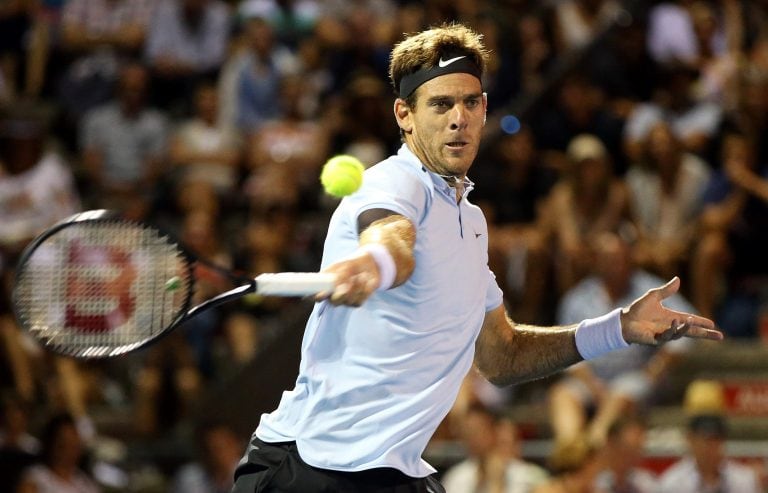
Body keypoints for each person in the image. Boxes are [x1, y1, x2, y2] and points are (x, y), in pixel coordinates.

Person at [231, 23, 721, 493]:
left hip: (391, 474)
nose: (458, 118)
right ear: (404, 114)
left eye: (469, 103)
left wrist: (618, 328)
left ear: (485, 108)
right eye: (441, 104)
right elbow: (392, 238)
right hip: (305, 470)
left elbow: (501, 355)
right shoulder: (391, 183)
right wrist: (374, 264)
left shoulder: (471, 222)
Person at [657, 380, 760, 493]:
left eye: (715, 439)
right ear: (690, 439)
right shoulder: (673, 484)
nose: (709, 447)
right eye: (704, 439)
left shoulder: (743, 481)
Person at [441, 403, 549, 493]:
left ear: (494, 431)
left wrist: (497, 483)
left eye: (478, 431)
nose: (473, 439)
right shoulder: (456, 478)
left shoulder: (526, 476)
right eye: (468, 433)